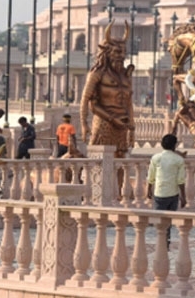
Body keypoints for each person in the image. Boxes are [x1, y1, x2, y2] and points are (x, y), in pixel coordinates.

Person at [79, 21, 135, 158]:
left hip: (122, 124)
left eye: (123, 52)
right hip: (104, 123)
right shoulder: (97, 73)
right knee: (98, 161)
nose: (121, 55)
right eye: (117, 52)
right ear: (107, 53)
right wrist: (84, 124)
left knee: (121, 161)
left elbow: (128, 103)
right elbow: (86, 100)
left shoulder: (125, 75)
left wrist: (132, 127)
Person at [146, 134, 187, 247]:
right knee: (168, 221)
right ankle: (166, 242)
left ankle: (161, 242)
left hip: (159, 193)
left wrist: (148, 189)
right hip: (173, 194)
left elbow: (151, 176)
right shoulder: (179, 160)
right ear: (175, 145)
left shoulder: (156, 158)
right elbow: (180, 180)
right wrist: (183, 197)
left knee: (159, 221)